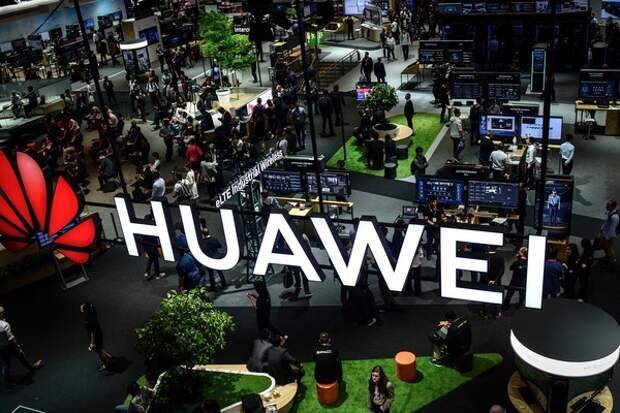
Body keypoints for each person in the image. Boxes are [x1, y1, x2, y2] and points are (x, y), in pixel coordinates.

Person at [0, 306, 43, 388]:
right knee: (21, 356)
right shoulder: (5, 325)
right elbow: (10, 339)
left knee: (6, 363)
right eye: (2, 312)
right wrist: (17, 347)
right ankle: (32, 367)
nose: (4, 313)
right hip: (9, 346)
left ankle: (7, 382)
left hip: (1, 347)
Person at [80, 302, 112, 371]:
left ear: (86, 311)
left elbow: (93, 332)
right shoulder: (92, 315)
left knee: (99, 352)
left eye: (82, 310)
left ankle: (106, 365)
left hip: (96, 337)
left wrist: (92, 343)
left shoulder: (89, 320)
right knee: (99, 349)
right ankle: (110, 357)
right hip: (98, 334)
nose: (81, 311)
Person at [479, 248, 504, 319]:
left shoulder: (483, 257)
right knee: (496, 296)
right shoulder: (500, 257)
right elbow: (502, 270)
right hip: (496, 281)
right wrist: (495, 280)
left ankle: (485, 313)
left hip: (484, 281)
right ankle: (497, 313)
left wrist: (488, 280)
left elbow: (481, 271)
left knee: (484, 296)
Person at [598, 199, 619, 269]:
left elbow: (612, 229)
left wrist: (607, 237)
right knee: (602, 245)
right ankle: (607, 257)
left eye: (608, 205)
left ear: (613, 207)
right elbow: (606, 222)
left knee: (609, 249)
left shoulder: (614, 217)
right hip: (605, 233)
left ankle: (612, 263)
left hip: (609, 236)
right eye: (607, 205)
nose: (606, 206)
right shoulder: (610, 212)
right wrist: (601, 230)